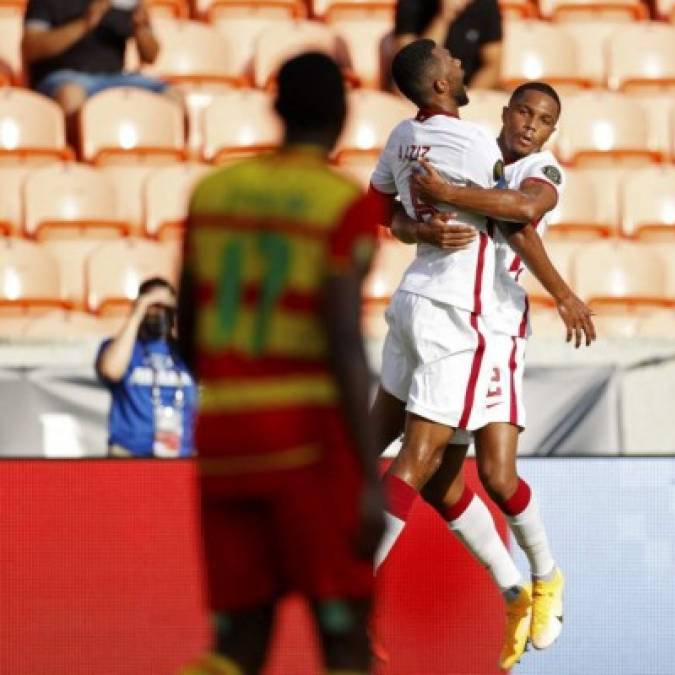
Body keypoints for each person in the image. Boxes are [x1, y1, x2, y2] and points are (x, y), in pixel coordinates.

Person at [367, 40, 591, 670]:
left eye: (543, 121)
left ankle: (545, 576)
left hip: (491, 329)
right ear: (506, 113)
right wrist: (421, 217)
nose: (530, 126)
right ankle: (516, 590)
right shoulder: (479, 154)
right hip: (451, 315)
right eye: (523, 113)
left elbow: (521, 214)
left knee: (490, 474)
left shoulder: (538, 171)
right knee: (441, 479)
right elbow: (397, 200)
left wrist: (564, 293)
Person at [176, 52, 384, 675]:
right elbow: (344, 341)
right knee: (343, 634)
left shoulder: (212, 194)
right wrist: (369, 475)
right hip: (308, 446)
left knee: (237, 638)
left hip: (223, 439)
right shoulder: (341, 204)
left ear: (275, 108)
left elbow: (189, 333)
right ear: (343, 115)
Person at [95, 276, 196, 459]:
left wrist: (178, 317)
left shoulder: (184, 353)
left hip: (181, 458)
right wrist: (137, 313)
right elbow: (111, 370)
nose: (159, 313)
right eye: (153, 306)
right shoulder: (123, 347)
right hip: (130, 454)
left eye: (166, 308)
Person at [22, 0, 167, 115]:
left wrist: (140, 28)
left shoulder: (124, 3)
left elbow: (151, 56)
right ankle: (80, 150)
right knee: (71, 95)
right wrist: (85, 24)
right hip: (64, 78)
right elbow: (32, 48)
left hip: (117, 78)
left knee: (173, 97)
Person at [390, 0, 502, 89]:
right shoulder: (412, 3)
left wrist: (468, 101)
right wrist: (444, 17)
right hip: (422, 94)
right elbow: (412, 68)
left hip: (468, 93)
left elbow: (492, 65)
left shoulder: (487, 4)